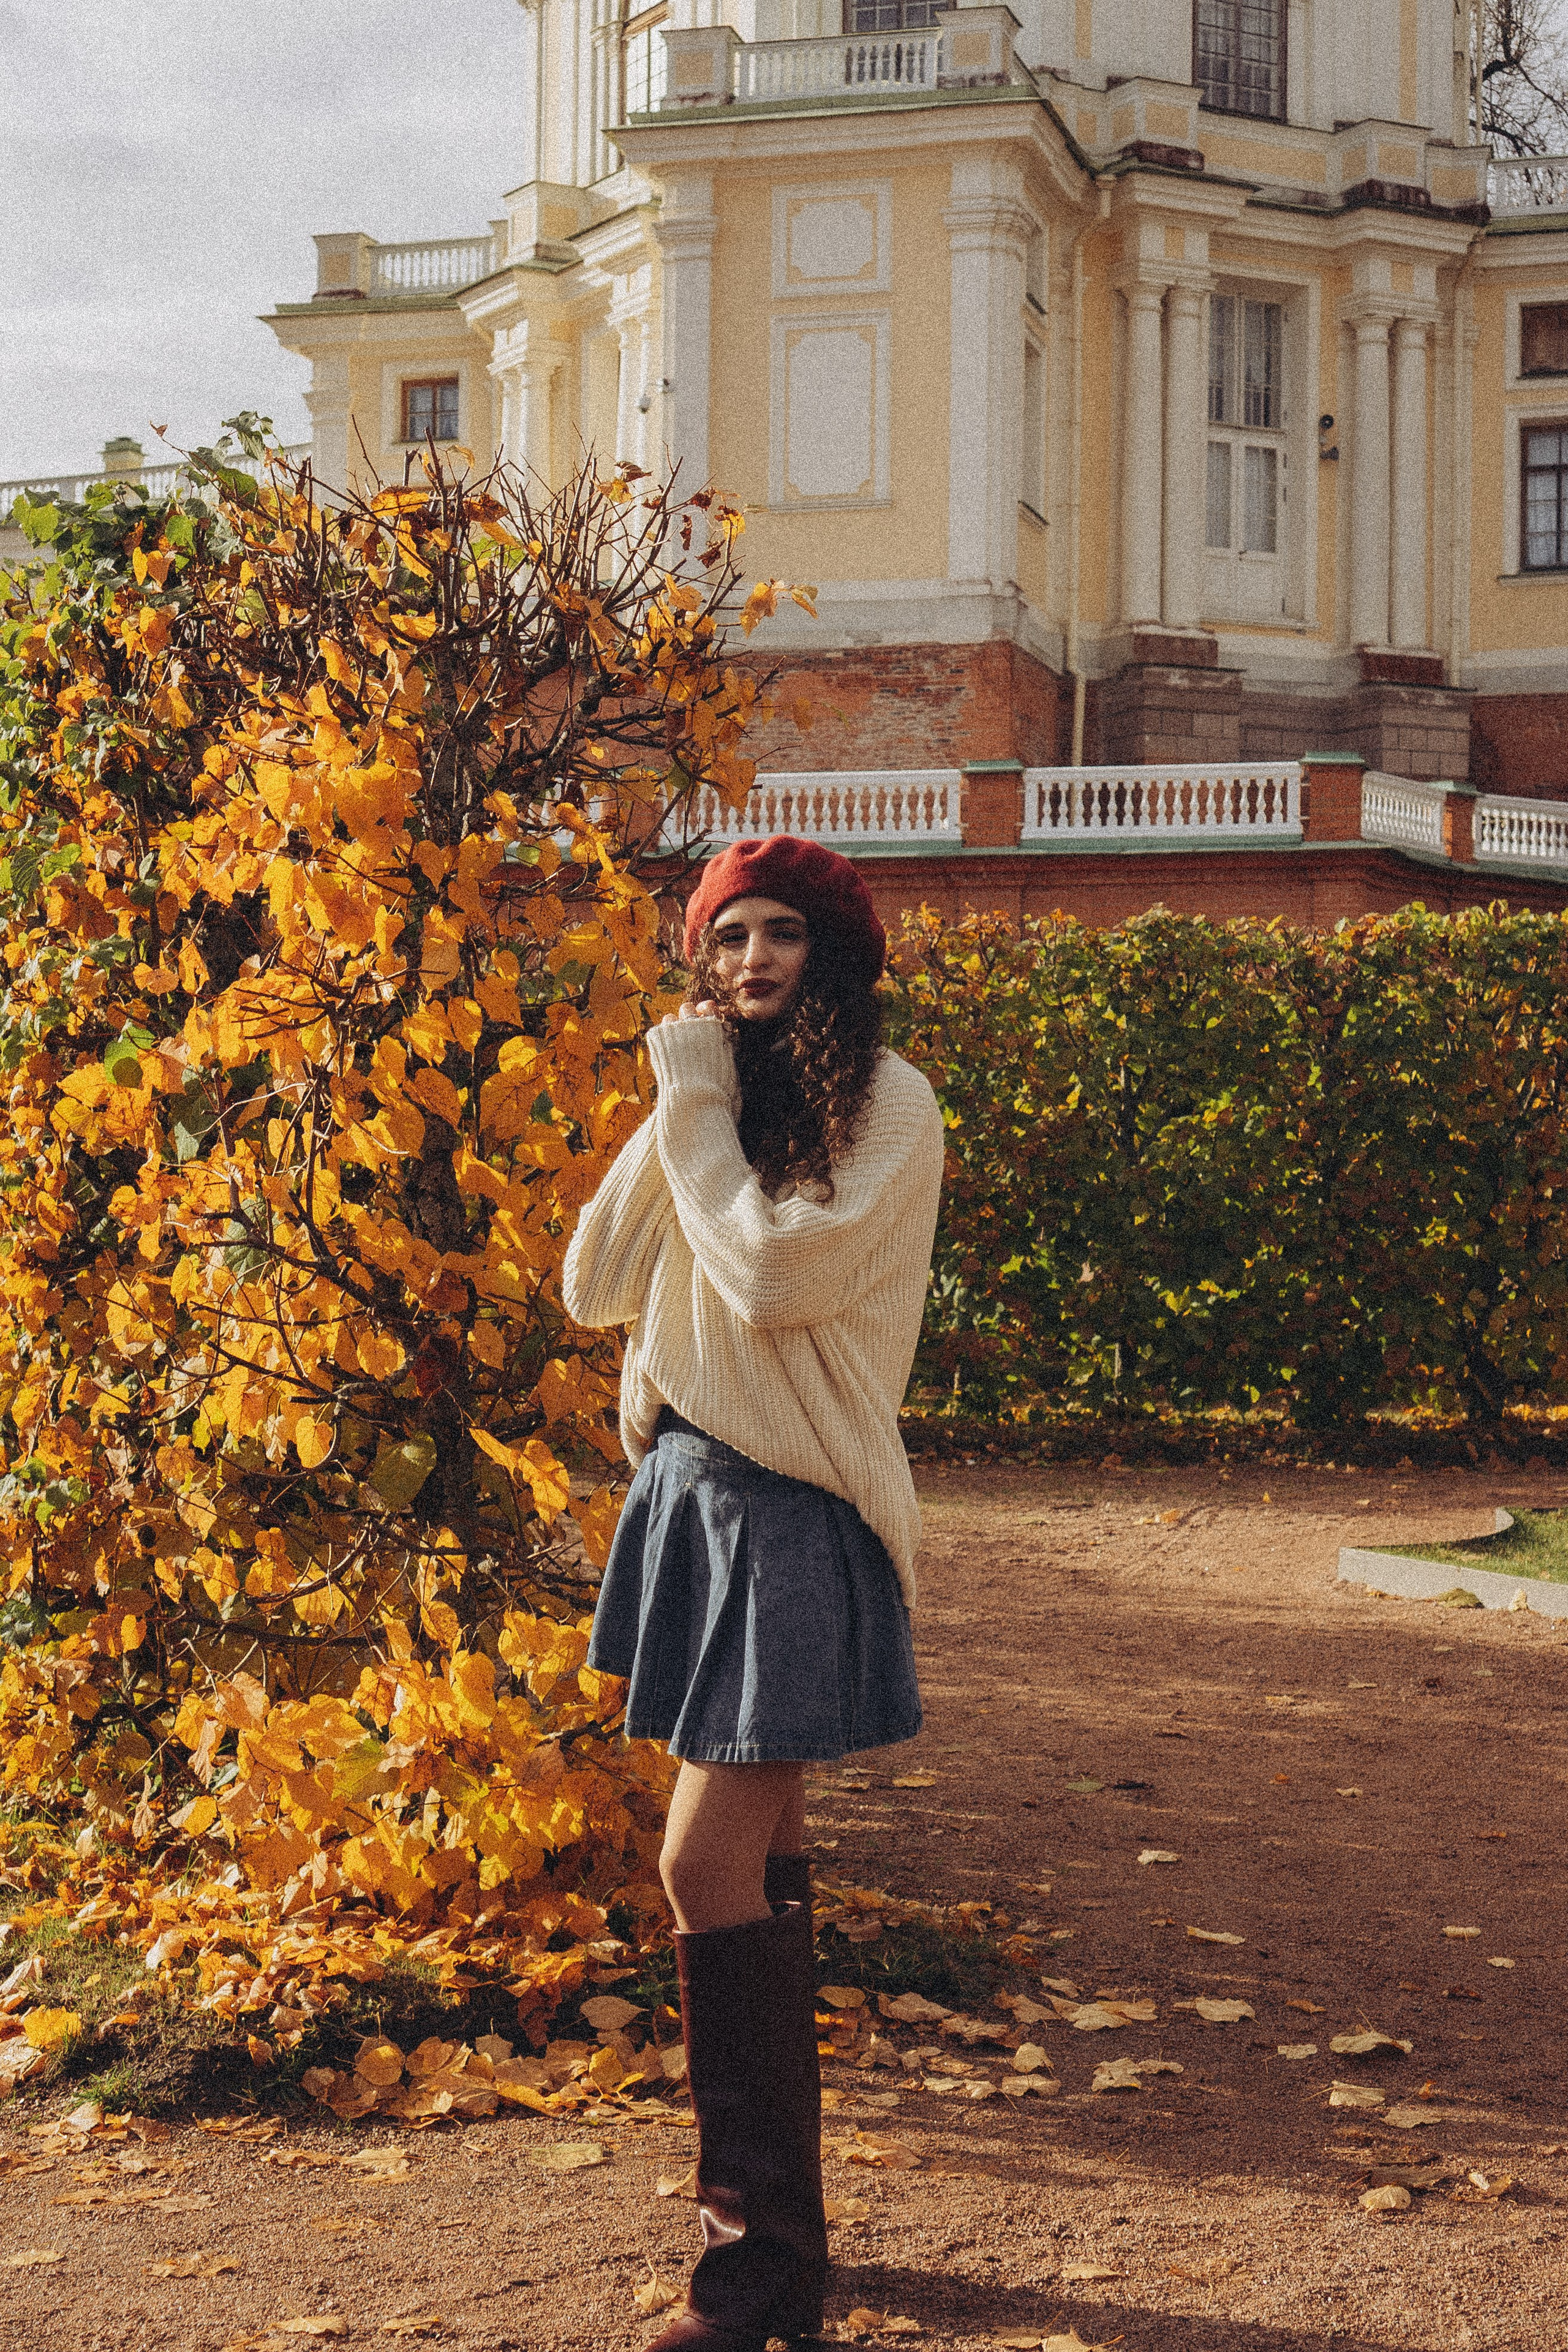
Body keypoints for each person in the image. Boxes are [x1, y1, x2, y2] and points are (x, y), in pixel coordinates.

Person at [562, 834, 944, 2351]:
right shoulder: (714, 1104)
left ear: (833, 953)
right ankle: (787, 2247)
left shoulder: (890, 1106)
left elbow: (778, 1279)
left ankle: (751, 2277)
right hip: (692, 1502)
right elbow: (595, 1281)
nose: (749, 964)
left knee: (700, 1871)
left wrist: (703, 1113)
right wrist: (680, 1106)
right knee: (762, 1865)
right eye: (725, 940)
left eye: (781, 935)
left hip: (795, 1513)